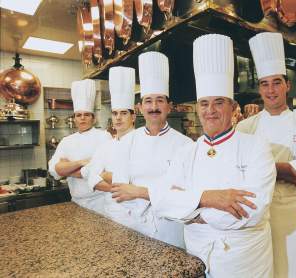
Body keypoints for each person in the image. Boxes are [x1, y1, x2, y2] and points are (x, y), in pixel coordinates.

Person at [113, 34, 276, 277]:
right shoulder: (187, 151)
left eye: (219, 102)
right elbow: (165, 202)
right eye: (204, 103)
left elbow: (253, 211)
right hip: (196, 255)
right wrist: (210, 198)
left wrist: (191, 211)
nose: (210, 111)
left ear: (233, 108)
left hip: (243, 259)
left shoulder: (257, 147)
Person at [236, 32, 296, 278]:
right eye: (265, 83)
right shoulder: (245, 127)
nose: (271, 90)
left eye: (276, 82)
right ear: (259, 88)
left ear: (288, 85)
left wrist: (264, 169)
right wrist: (288, 169)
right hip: (260, 215)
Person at [110, 52, 192, 248]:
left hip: (172, 228)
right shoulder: (127, 142)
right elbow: (119, 190)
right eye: (148, 101)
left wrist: (138, 191)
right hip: (134, 225)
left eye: (160, 100)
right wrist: (158, 197)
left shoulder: (186, 145)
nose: (154, 106)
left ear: (169, 106)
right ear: (139, 108)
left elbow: (183, 194)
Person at [48, 79, 111, 213]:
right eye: (79, 115)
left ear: (93, 119)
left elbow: (104, 171)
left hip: (101, 202)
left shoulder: (104, 136)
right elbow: (54, 169)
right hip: (76, 202)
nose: (82, 118)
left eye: (87, 115)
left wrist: (69, 169)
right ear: (74, 119)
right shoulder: (66, 141)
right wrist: (82, 163)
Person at [87, 66, 137, 227]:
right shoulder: (105, 146)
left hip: (138, 216)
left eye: (124, 113)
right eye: (115, 113)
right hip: (111, 213)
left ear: (133, 116)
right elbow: (92, 178)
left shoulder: (142, 141)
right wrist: (123, 187)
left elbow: (138, 181)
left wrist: (106, 175)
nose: (118, 118)